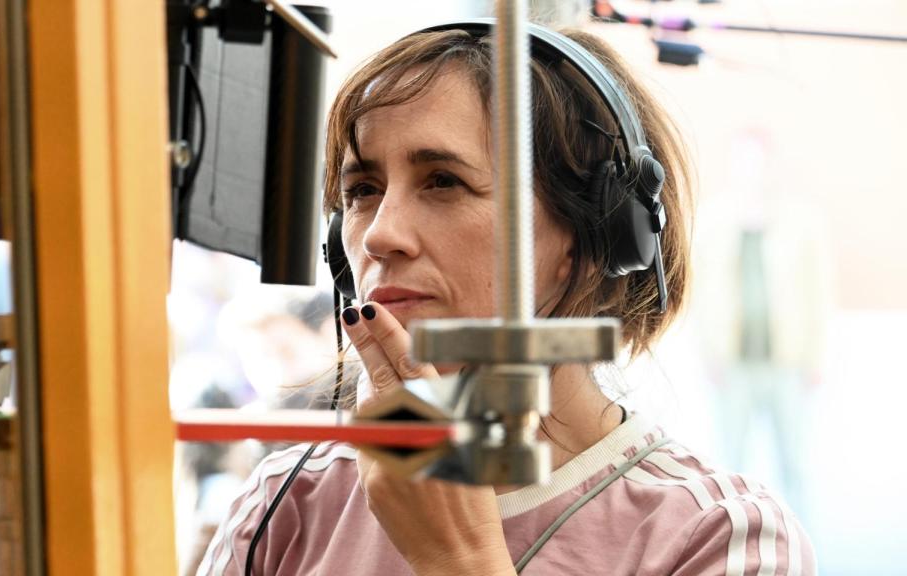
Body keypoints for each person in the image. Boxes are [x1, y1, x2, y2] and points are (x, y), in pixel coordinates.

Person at [198, 22, 816, 576]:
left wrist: (457, 559)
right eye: (363, 189)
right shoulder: (286, 504)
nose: (381, 233)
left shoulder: (720, 538)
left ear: (591, 235)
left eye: (444, 181)